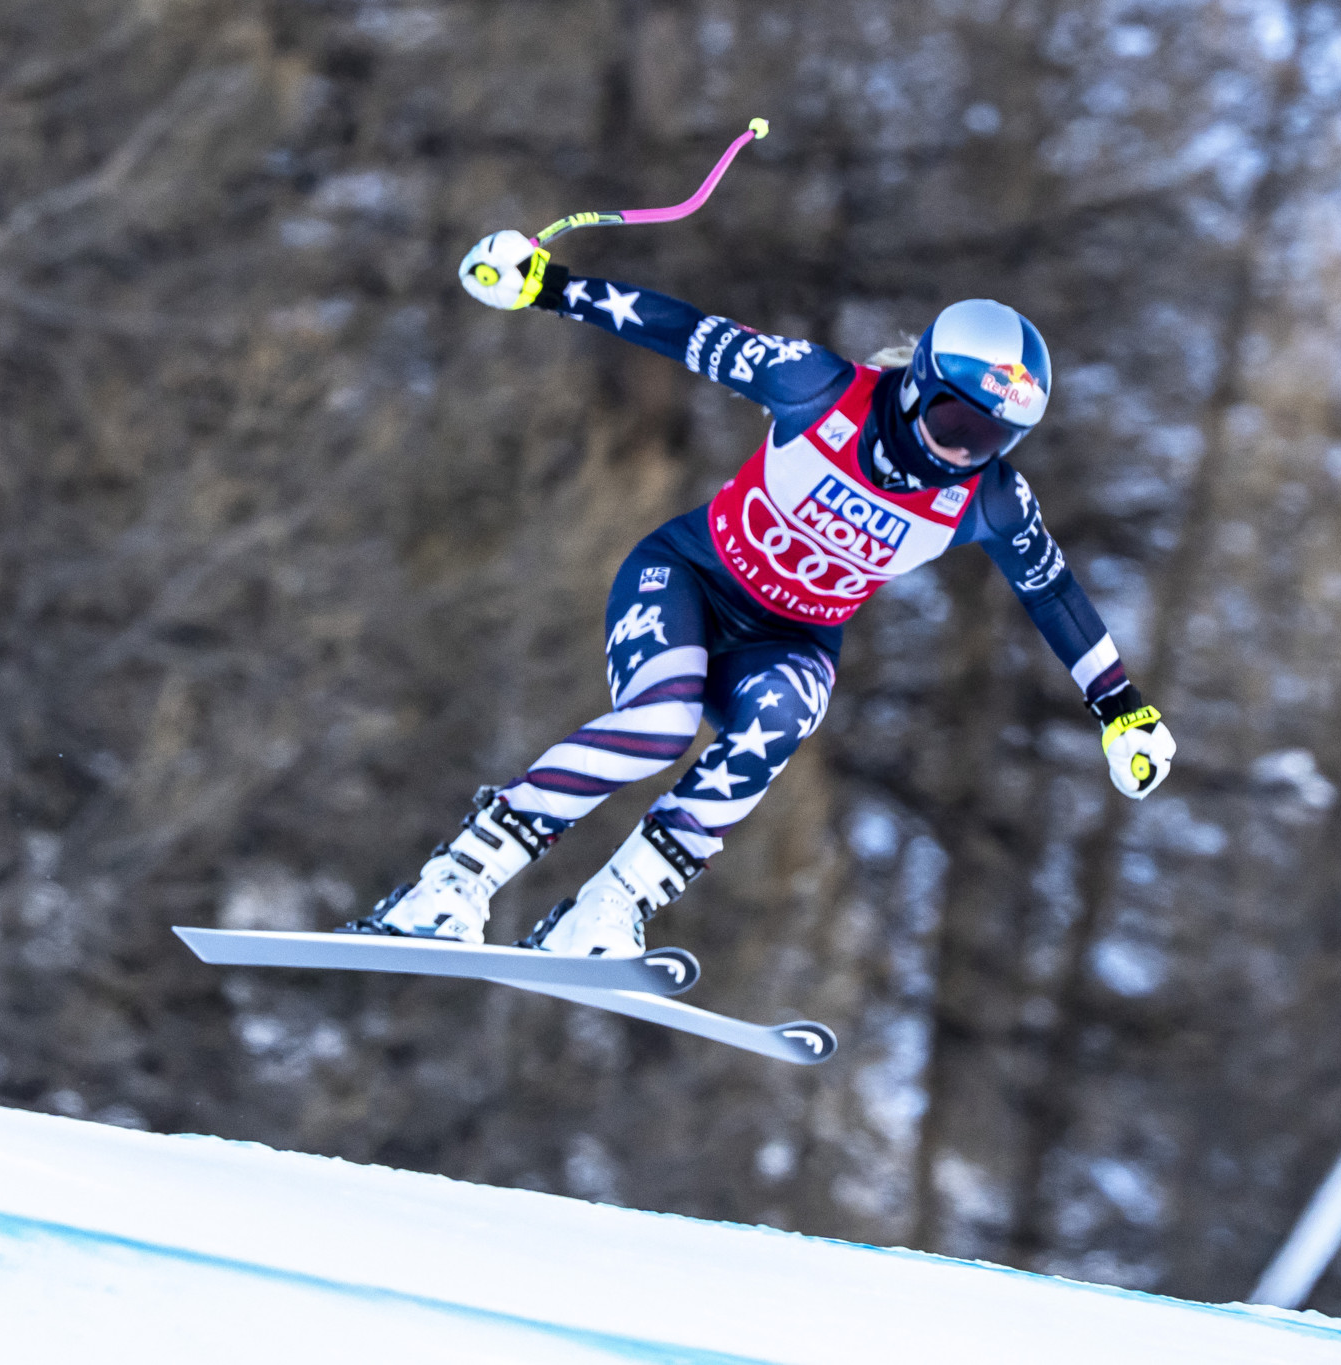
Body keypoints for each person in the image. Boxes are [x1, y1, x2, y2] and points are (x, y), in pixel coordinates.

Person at [341, 228, 1176, 957]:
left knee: (781, 720)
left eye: (992, 439)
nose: (964, 454)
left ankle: (610, 907)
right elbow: (685, 331)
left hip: (792, 639)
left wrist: (1123, 710)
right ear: (919, 382)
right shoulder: (818, 388)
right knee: (661, 725)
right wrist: (548, 287)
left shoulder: (990, 499)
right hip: (691, 581)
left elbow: (1052, 593)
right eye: (957, 425)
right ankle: (453, 882)